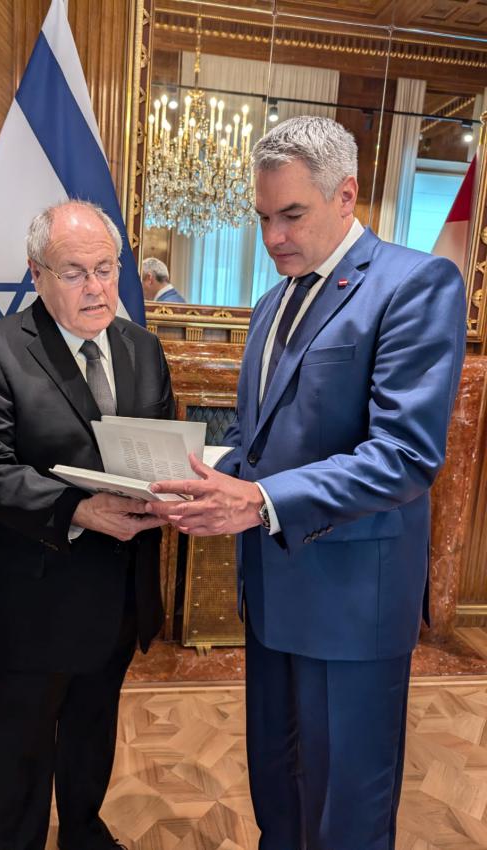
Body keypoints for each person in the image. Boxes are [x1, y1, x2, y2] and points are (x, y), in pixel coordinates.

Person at [147, 116, 466, 850]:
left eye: (291, 214)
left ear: (345, 195)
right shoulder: (271, 304)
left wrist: (258, 501)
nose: (273, 238)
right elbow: (268, 441)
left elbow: (406, 455)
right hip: (273, 588)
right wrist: (209, 473)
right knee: (280, 791)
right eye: (263, 218)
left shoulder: (415, 285)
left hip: (353, 601)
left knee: (345, 810)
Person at [0, 199, 174, 850]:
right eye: (75, 271)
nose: (97, 287)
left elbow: (156, 448)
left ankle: (82, 831)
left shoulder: (143, 349)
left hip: (118, 592)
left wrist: (176, 494)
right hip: (31, 599)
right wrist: (77, 508)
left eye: (106, 268)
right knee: (13, 764)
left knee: (90, 738)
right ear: (36, 273)